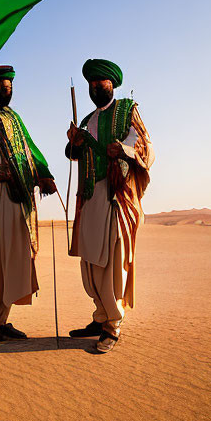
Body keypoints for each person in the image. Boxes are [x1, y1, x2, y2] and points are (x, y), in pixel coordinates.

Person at [65, 59, 154, 353]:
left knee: (112, 259)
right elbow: (74, 154)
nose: (94, 87)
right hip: (90, 196)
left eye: (99, 82)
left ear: (111, 84)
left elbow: (147, 148)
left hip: (117, 196)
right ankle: (100, 316)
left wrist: (124, 150)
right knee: (90, 262)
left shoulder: (128, 110)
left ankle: (113, 325)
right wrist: (75, 141)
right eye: (91, 83)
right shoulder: (87, 118)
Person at [0, 65, 57, 341]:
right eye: (1, 85)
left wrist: (44, 174)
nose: (5, 89)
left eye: (9, 86)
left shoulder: (14, 118)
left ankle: (3, 320)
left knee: (12, 257)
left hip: (17, 197)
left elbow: (29, 149)